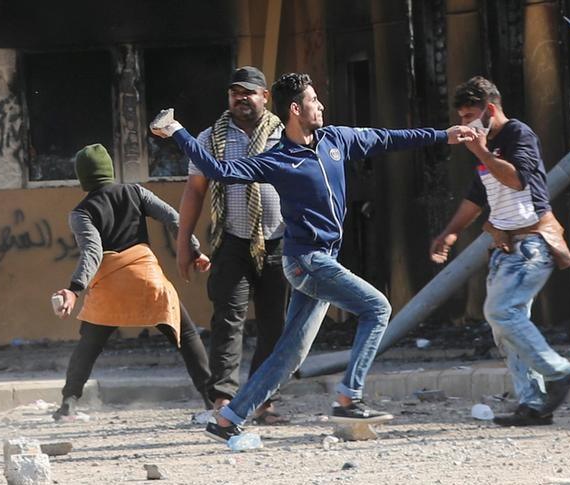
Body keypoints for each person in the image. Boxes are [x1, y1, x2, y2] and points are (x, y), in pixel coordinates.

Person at [151, 72, 476, 443]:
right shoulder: (276, 160)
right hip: (307, 261)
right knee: (378, 308)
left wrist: (443, 135)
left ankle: (228, 419)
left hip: (320, 261)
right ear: (295, 109)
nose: (320, 106)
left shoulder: (336, 139)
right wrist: (177, 130)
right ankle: (349, 397)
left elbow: (387, 138)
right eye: (313, 101)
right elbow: (218, 171)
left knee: (289, 354)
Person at [429, 76, 570, 426]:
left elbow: (517, 180)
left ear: (490, 110)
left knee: (501, 311)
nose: (465, 124)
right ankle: (533, 404)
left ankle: (559, 373)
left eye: (470, 115)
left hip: (532, 243)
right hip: (505, 247)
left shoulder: (518, 135)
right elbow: (477, 195)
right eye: (462, 116)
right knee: (505, 326)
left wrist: (481, 150)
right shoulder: (486, 145)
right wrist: (450, 233)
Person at [51, 143, 212, 420]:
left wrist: (75, 289)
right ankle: (213, 400)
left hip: (109, 284)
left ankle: (69, 401)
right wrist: (194, 249)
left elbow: (93, 251)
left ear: (83, 178)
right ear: (109, 170)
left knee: (88, 345)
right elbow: (174, 218)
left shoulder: (80, 212)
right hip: (147, 279)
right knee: (185, 335)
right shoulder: (135, 192)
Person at [178, 66, 288, 425]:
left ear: (264, 97)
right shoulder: (210, 138)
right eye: (234, 93)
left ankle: (263, 399)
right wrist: (184, 243)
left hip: (279, 242)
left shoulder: (285, 135)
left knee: (275, 324)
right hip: (232, 240)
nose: (241, 98)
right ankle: (224, 398)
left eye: (249, 92)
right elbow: (195, 191)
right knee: (228, 320)